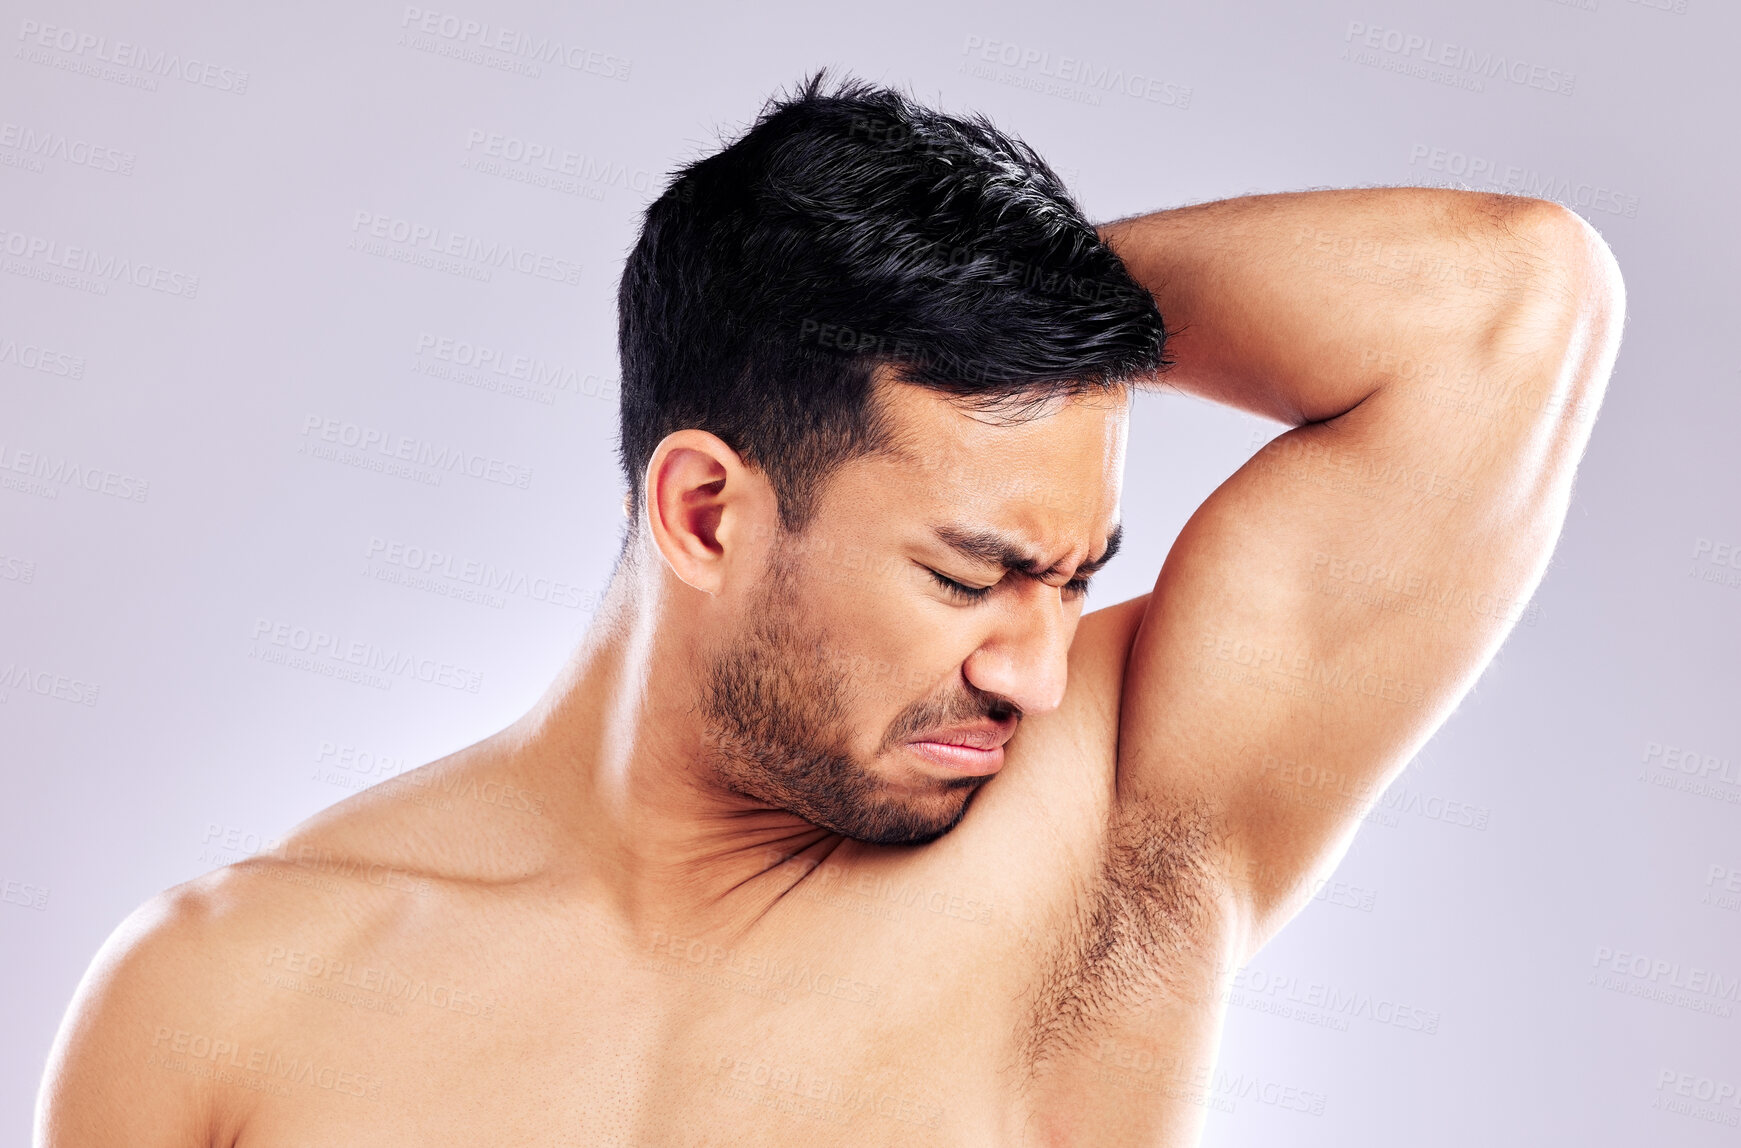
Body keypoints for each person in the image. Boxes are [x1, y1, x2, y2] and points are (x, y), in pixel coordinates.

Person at [36, 72, 1622, 1146]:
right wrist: (796, 349)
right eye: (966, 574)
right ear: (706, 510)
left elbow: (1510, 305)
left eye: (1070, 580)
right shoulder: (224, 1002)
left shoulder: (1113, 825)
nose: (1038, 673)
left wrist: (973, 345)